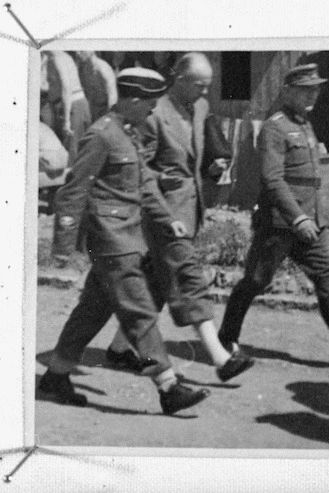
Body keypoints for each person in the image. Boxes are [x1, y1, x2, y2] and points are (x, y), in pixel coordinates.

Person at [39, 68, 210, 415]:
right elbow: (74, 189)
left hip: (128, 236)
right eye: (148, 102)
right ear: (131, 100)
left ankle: (56, 375)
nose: (152, 109)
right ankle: (168, 386)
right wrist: (63, 245)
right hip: (111, 239)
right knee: (139, 311)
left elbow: (145, 185)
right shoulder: (101, 135)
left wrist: (169, 222)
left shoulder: (127, 133)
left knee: (92, 310)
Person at [217, 64, 329, 369]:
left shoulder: (304, 125)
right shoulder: (275, 128)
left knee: (327, 277)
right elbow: (273, 179)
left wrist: (313, 218)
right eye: (305, 89)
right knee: (256, 280)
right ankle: (225, 338)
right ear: (288, 91)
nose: (312, 94)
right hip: (279, 223)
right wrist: (298, 218)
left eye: (316, 88)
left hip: (309, 222)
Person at [104, 53, 250, 382]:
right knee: (187, 276)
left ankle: (119, 348)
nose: (205, 93)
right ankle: (220, 358)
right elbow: (140, 170)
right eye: (200, 86)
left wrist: (212, 169)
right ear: (179, 80)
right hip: (163, 212)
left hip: (191, 206)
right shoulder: (154, 114)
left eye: (209, 87)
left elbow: (195, 155)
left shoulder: (199, 109)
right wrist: (162, 184)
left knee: (155, 281)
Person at [43, 51, 92, 163]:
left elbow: (67, 88)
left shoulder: (58, 58)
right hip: (66, 106)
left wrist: (67, 121)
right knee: (69, 150)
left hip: (73, 106)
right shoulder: (50, 59)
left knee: (72, 151)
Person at [73, 51, 118, 122]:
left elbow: (112, 94)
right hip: (92, 110)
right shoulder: (82, 69)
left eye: (81, 50)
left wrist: (109, 115)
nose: (77, 53)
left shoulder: (103, 67)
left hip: (105, 110)